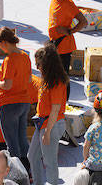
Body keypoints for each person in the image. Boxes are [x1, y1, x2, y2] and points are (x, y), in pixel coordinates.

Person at [0, 27, 32, 173]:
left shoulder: (10, 59)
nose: (0, 48)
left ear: (4, 42)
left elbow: (7, 85)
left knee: (12, 143)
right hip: (24, 102)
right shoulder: (25, 56)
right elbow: (28, 79)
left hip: (9, 104)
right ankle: (28, 170)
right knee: (22, 139)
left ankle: (17, 173)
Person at [27, 45, 68, 185]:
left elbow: (55, 110)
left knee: (50, 162)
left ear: (48, 64)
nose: (37, 67)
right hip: (43, 123)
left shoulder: (56, 82)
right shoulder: (46, 79)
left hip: (51, 125)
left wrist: (48, 132)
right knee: (32, 156)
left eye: (39, 64)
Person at [42, 0, 87, 83]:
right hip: (55, 44)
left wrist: (69, 31)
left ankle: (64, 99)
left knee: (62, 80)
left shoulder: (67, 3)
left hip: (63, 47)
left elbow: (83, 22)